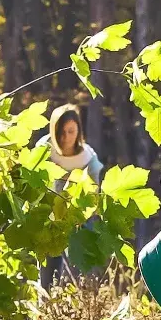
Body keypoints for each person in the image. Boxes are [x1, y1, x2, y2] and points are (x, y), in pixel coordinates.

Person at [38, 103, 106, 287]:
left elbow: (93, 192)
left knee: (77, 270)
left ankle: (78, 304)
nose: (65, 137)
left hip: (79, 220)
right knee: (47, 271)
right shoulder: (43, 150)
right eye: (61, 132)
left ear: (78, 131)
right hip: (49, 218)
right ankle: (45, 308)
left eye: (70, 131)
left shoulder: (88, 158)